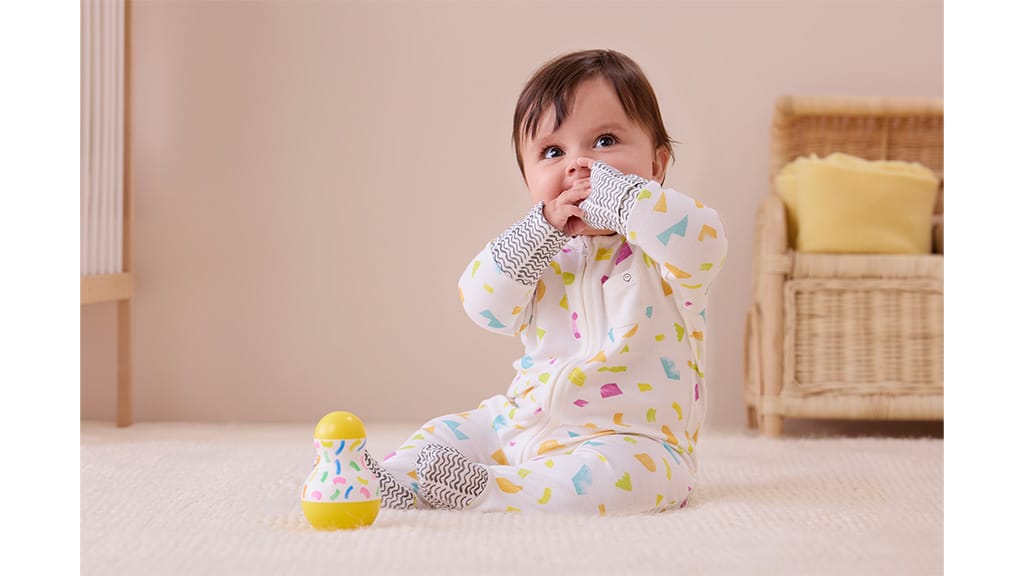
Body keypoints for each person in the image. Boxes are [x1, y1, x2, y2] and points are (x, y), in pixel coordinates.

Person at [364, 49, 727, 515]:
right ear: (529, 180)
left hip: (631, 441)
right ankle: (397, 478)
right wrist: (538, 233)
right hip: (521, 423)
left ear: (656, 166)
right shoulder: (539, 256)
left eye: (605, 141)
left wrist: (624, 199)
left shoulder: (665, 252)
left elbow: (704, 240)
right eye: (553, 152)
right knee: (451, 432)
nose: (579, 164)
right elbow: (482, 305)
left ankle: (492, 490)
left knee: (636, 479)